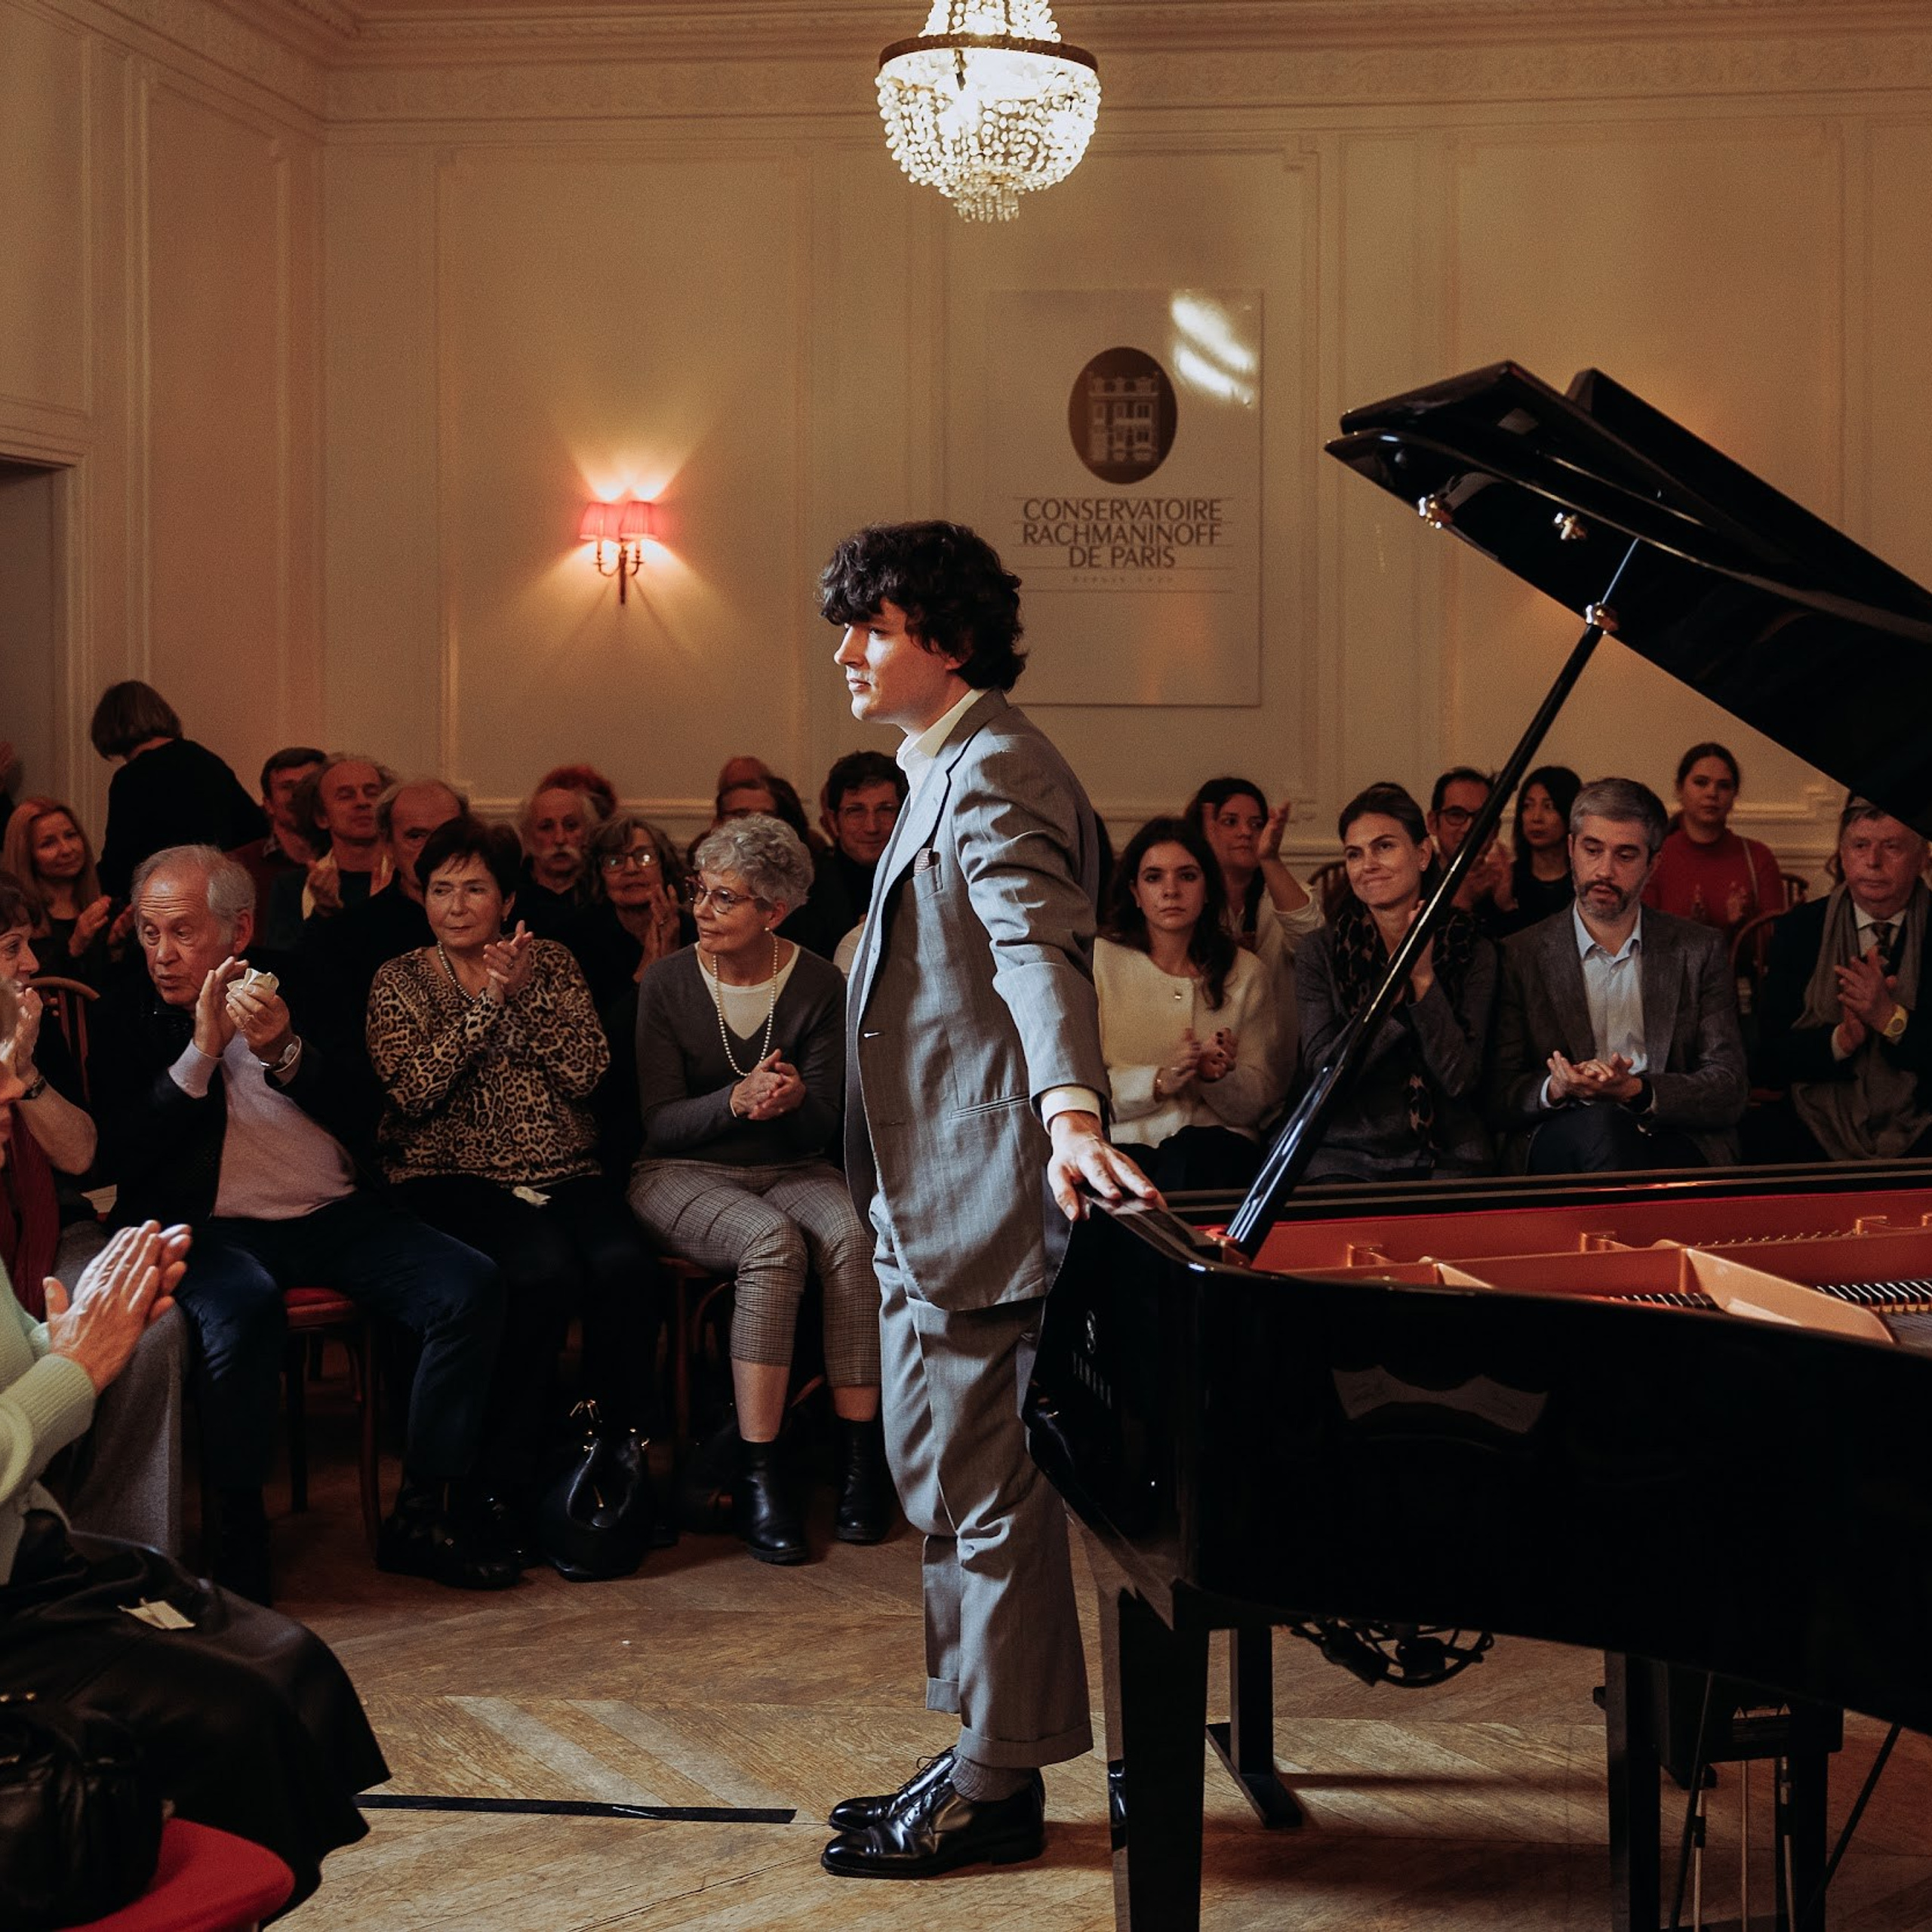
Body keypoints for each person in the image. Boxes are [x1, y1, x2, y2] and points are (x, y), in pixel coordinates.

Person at [817, 520, 1158, 1880]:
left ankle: (996, 1786)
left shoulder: (999, 765)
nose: (847, 652)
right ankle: (982, 1750)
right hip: (925, 1194)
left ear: (945, 640)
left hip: (982, 1202)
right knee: (954, 1493)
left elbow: (1036, 956)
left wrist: (1070, 1110)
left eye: (874, 627)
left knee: (991, 1503)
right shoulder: (945, 759)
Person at [88, 844, 514, 1600]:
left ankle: (423, 1511)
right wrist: (199, 1054)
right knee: (244, 1306)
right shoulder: (125, 1008)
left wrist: (285, 1048)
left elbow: (366, 1111)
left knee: (468, 1285)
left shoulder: (307, 980)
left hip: (332, 1212)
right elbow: (118, 1151)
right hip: (207, 1227)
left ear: (239, 929)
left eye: (183, 932)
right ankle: (237, 1527)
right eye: (151, 933)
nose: (163, 954)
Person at [0, 1161, 386, 1913]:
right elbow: (50, 1393)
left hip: (24, 1557)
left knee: (286, 1659)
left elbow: (25, 1361)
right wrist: (76, 1368)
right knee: (234, 1714)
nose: (16, 1088)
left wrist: (87, 1333)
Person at [366, 817, 661, 1556]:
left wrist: (526, 995)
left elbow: (589, 1072)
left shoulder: (551, 963)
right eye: (441, 889)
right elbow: (412, 1092)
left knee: (626, 1266)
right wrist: (488, 1004)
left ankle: (613, 1466)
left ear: (506, 899)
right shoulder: (398, 978)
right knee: (539, 1271)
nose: (457, 905)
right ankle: (503, 1475)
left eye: (474, 888)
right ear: (421, 897)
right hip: (450, 1174)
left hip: (564, 1168)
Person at [626, 814, 886, 1562]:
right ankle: (760, 1471)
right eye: (700, 892)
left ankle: (858, 1462)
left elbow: (830, 1125)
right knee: (771, 1243)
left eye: (724, 899)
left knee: (851, 1232)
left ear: (773, 911)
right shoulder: (670, 981)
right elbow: (659, 1123)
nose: (701, 911)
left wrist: (796, 1098)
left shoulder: (816, 982)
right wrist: (734, 1101)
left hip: (789, 1165)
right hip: (680, 1173)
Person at [0, 874, 183, 1555]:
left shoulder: (29, 1022)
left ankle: (127, 1552)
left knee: (148, 1321)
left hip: (54, 1229)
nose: (31, 965)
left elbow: (82, 1158)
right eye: (12, 946)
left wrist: (26, 1072)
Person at [1487, 777, 1747, 1173]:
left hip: (1669, 1131)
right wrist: (1556, 1087)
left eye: (1625, 856)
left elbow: (1728, 1086)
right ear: (1572, 849)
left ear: (1653, 863)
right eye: (1593, 850)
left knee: (1635, 1144)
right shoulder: (1520, 954)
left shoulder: (1699, 949)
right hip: (1565, 1132)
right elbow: (1499, 1092)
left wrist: (1637, 1091)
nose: (1604, 871)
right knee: (1605, 1129)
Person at [1294, 783, 1496, 1181]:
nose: (1367, 863)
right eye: (1355, 853)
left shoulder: (1473, 947)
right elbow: (1323, 1078)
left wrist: (1423, 979)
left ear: (1422, 854)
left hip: (1448, 1154)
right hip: (1346, 1152)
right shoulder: (1319, 951)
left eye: (1384, 847)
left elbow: (1460, 1078)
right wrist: (1388, 997)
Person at [1094, 817, 1278, 1192]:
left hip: (1217, 1157)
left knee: (1201, 1156)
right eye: (1154, 877)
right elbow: (1080, 1086)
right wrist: (1159, 1082)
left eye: (1188, 876)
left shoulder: (1247, 972)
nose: (1171, 890)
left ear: (1208, 888)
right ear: (1134, 891)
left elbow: (1259, 1103)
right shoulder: (1098, 962)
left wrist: (1217, 1080)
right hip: (1126, 1145)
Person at [1751, 798, 1932, 1162]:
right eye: (1860, 845)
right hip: (1815, 1118)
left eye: (1892, 846)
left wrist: (1891, 1021)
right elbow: (1766, 1060)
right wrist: (1841, 1040)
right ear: (1842, 853)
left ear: (1923, 857)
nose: (1873, 861)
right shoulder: (1798, 930)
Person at [303, 777, 466, 1054]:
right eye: (416, 836)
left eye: (447, 834)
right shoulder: (344, 938)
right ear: (388, 844)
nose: (434, 849)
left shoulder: (512, 920)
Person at [1184, 775, 1321, 1094]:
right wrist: (1204, 860)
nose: (1246, 832)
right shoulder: (1183, 897)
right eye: (1230, 822)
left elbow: (1313, 943)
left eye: (1256, 824)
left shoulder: (1282, 894)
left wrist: (1269, 859)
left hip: (1277, 1072)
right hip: (1199, 1073)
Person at [91, 681, 265, 899]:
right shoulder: (206, 760)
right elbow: (253, 830)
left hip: (169, 898)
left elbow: (120, 863)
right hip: (220, 892)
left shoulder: (130, 779)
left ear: (109, 727)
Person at [1643, 741, 1786, 947]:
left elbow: (1777, 944)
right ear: (1679, 789)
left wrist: (1741, 926)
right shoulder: (1657, 855)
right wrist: (1690, 929)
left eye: (1724, 785)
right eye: (1701, 782)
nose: (1712, 793)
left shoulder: (1757, 856)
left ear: (1734, 795)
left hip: (1740, 978)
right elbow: (1643, 939)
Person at [263, 752, 396, 946]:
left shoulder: (409, 879)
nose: (362, 802)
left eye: (372, 793)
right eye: (346, 796)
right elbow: (287, 969)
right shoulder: (293, 888)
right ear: (321, 817)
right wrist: (324, 913)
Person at [565, 814, 691, 1013]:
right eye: (615, 861)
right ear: (599, 875)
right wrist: (644, 975)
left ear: (664, 867)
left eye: (646, 857)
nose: (631, 869)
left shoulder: (698, 930)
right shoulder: (577, 939)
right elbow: (599, 1035)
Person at [789, 749, 907, 959]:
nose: (872, 827)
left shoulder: (924, 881)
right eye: (856, 811)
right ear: (834, 822)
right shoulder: (804, 889)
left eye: (886, 810)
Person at [3, 795, 128, 988]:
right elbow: (35, 991)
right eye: (48, 843)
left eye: (70, 835)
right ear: (26, 854)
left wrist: (116, 949)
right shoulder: (20, 919)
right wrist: (75, 947)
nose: (67, 849)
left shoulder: (108, 907)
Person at [1485, 762, 1581, 937]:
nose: (1536, 818)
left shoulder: (1582, 882)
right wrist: (1506, 906)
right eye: (1527, 806)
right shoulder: (1508, 879)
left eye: (1549, 807)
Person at [226, 746, 327, 910]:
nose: (299, 794)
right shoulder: (237, 866)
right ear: (268, 804)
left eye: (309, 785)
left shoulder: (346, 857)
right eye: (288, 786)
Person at [516, 782, 605, 937]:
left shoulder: (606, 894)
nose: (560, 839)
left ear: (588, 832)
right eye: (546, 827)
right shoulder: (510, 895)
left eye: (571, 826)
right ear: (527, 835)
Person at [1426, 766, 1512, 921]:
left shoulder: (1511, 881)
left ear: (1495, 830)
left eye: (1482, 818)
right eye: (1456, 815)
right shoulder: (1415, 883)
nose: (1469, 828)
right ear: (1433, 823)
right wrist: (1462, 902)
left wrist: (1506, 904)